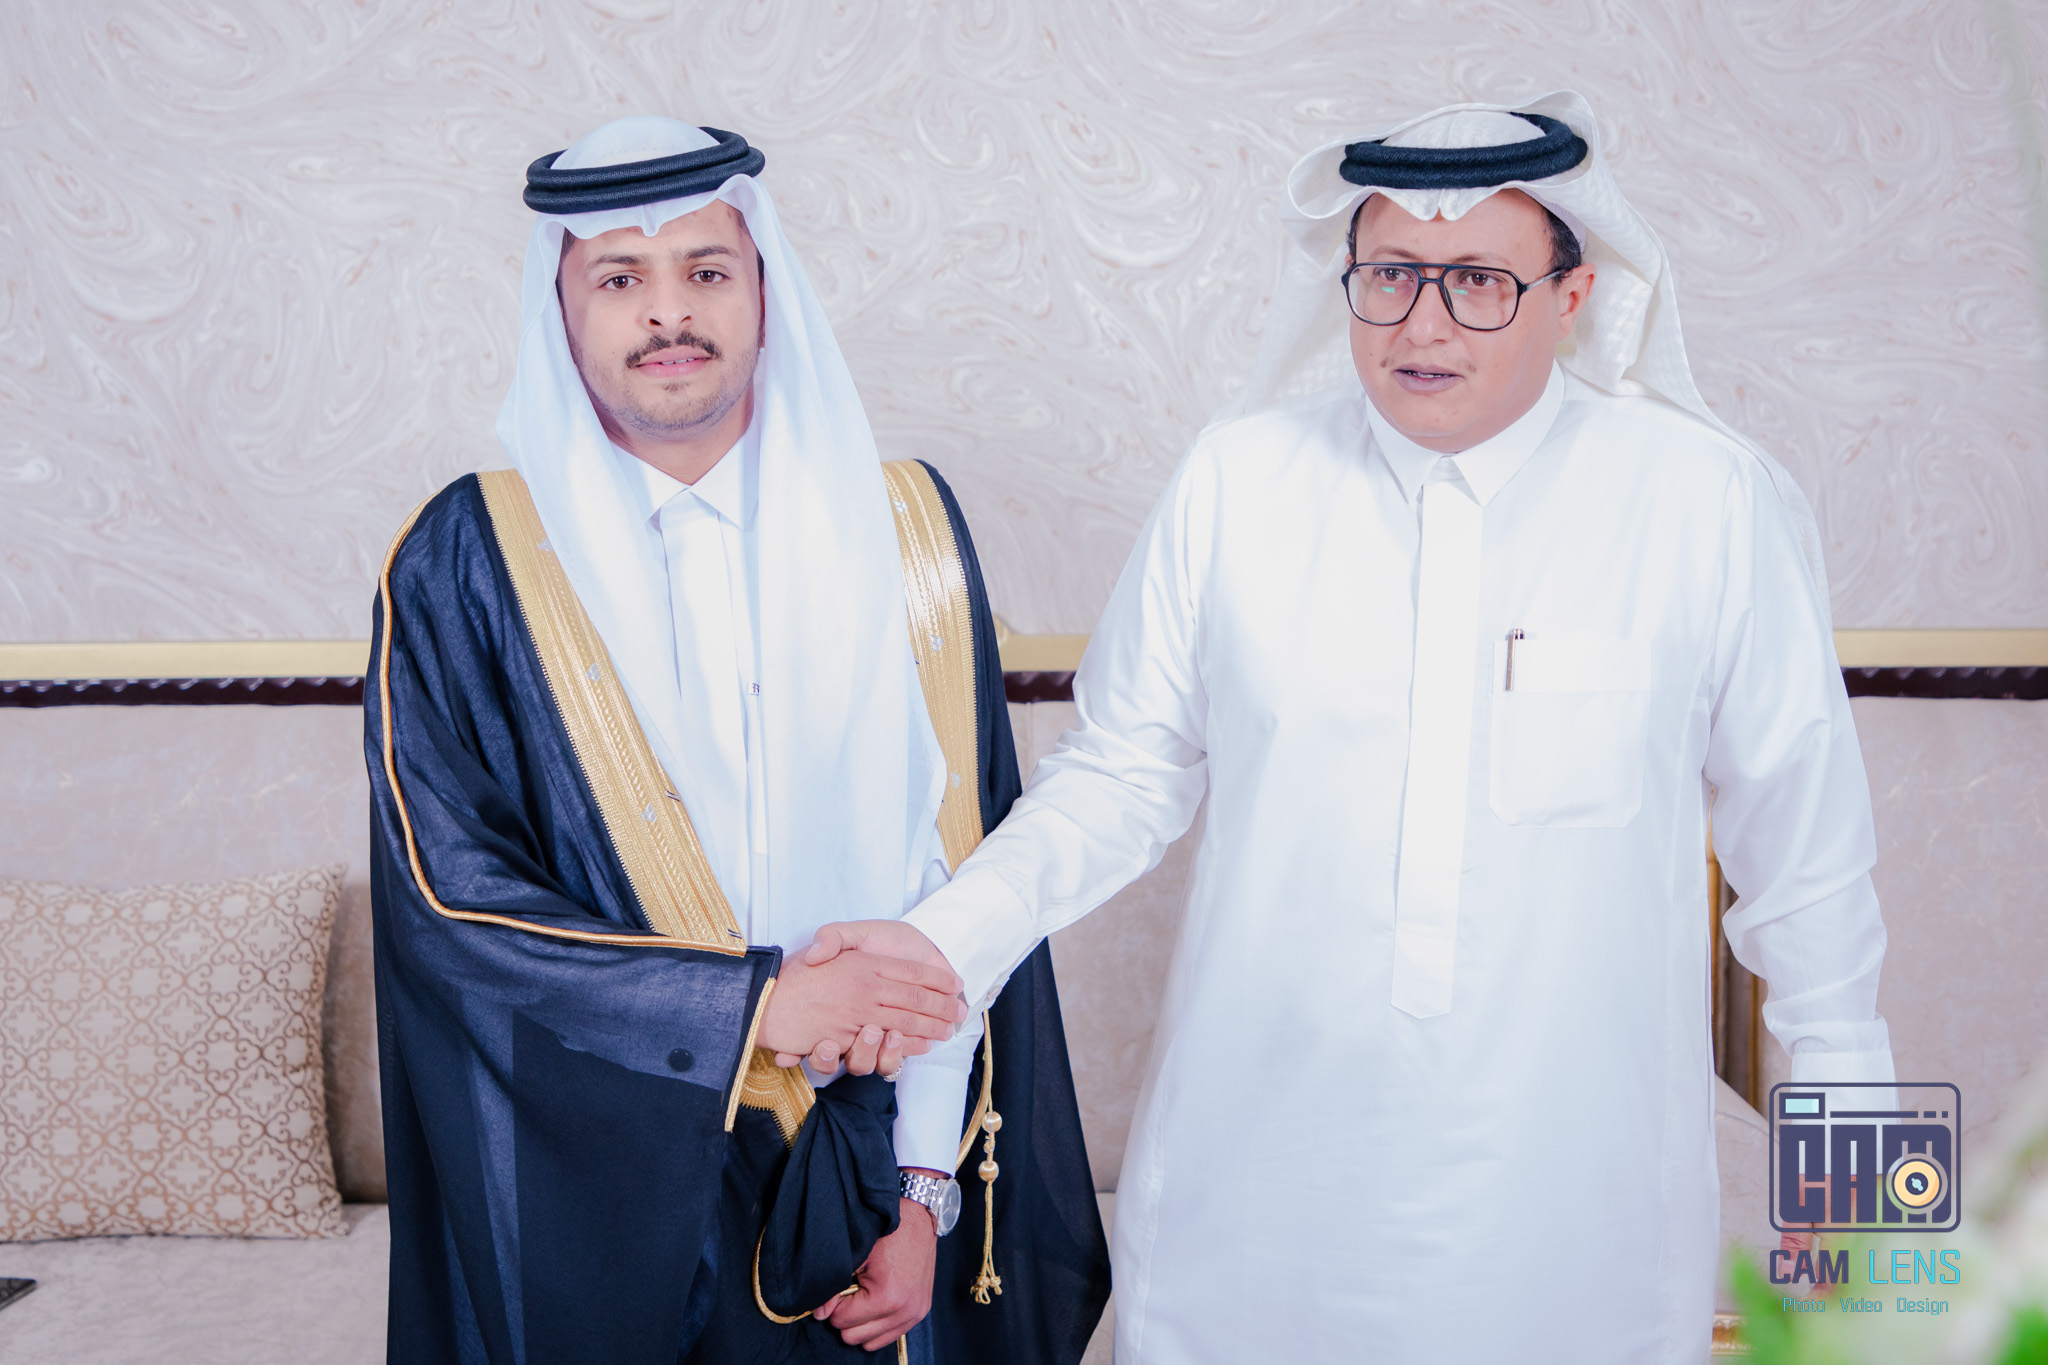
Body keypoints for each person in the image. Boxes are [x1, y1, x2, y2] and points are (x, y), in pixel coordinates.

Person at [812, 93, 1894, 1362]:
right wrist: (938, 946)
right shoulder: (1239, 481)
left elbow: (1808, 877)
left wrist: (1862, 1228)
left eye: (1476, 281)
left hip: (1576, 1214)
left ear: (1572, 296)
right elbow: (1120, 774)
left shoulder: (1701, 502)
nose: (1421, 324)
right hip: (1255, 1194)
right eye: (1389, 276)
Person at [365, 116, 1107, 1365]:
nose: (668, 311)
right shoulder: (468, 558)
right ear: (562, 314)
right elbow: (453, 907)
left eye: (705, 270)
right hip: (606, 1182)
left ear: (765, 295)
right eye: (620, 279)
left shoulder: (904, 531)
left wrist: (924, 1188)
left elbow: (955, 880)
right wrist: (754, 1005)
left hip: (869, 1162)